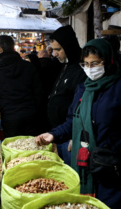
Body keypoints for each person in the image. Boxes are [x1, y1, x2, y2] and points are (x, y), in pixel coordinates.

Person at [36, 38, 121, 209]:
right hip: (86, 164)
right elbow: (72, 121)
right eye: (86, 64)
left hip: (114, 167)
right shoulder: (83, 88)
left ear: (108, 60)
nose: (90, 69)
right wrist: (53, 134)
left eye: (95, 63)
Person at [0, 35, 41, 138]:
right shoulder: (28, 66)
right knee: (30, 147)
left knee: (12, 147)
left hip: (10, 116)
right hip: (30, 114)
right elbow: (38, 92)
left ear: (0, 49)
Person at [47, 25, 87, 165]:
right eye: (53, 50)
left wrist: (75, 136)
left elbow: (82, 108)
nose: (54, 54)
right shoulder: (65, 65)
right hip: (60, 135)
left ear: (68, 47)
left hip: (71, 138)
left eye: (58, 49)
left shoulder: (81, 70)